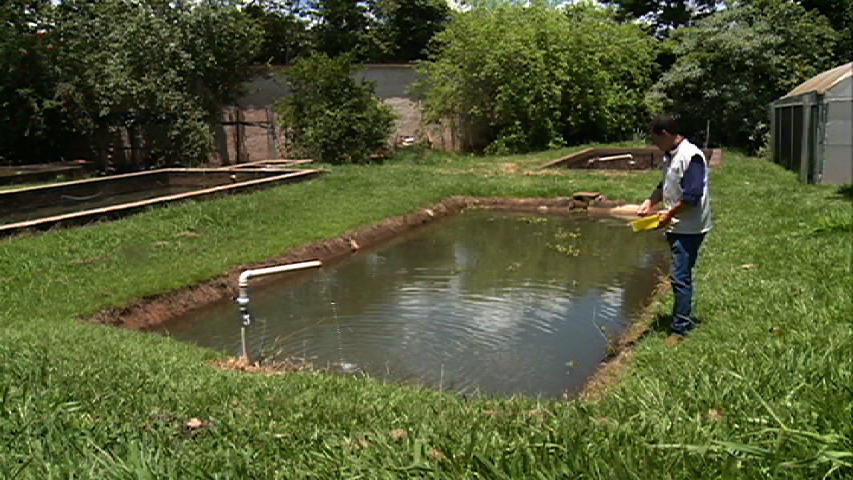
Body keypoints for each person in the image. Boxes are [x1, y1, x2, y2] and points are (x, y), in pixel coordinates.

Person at [637, 113, 713, 337]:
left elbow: (692, 195)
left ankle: (680, 329)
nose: (655, 145)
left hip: (689, 227)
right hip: (677, 224)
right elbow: (666, 182)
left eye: (656, 140)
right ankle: (681, 321)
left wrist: (669, 214)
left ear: (667, 134)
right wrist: (650, 201)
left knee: (680, 277)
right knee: (680, 274)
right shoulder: (671, 155)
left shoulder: (692, 156)